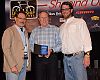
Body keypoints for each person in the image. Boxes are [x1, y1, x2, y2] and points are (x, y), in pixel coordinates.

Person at [60, 2, 92, 80]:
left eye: (66, 9)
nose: (64, 11)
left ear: (71, 10)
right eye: (62, 9)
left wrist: (87, 55)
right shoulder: (61, 27)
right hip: (65, 59)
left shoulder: (80, 22)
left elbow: (86, 38)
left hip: (77, 58)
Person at [29, 11, 61, 80]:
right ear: (39, 19)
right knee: (39, 78)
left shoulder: (56, 29)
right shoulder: (34, 31)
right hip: (39, 59)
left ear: (48, 18)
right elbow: (30, 45)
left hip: (52, 57)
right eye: (42, 17)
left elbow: (60, 44)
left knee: (53, 78)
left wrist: (52, 50)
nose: (44, 19)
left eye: (45, 17)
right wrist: (36, 51)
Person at [2, 10, 31, 80]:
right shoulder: (9, 31)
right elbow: (6, 49)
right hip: (13, 65)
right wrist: (12, 66)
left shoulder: (25, 32)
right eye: (20, 18)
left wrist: (27, 65)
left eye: (24, 19)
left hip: (24, 63)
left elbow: (26, 48)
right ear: (15, 18)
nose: (22, 20)